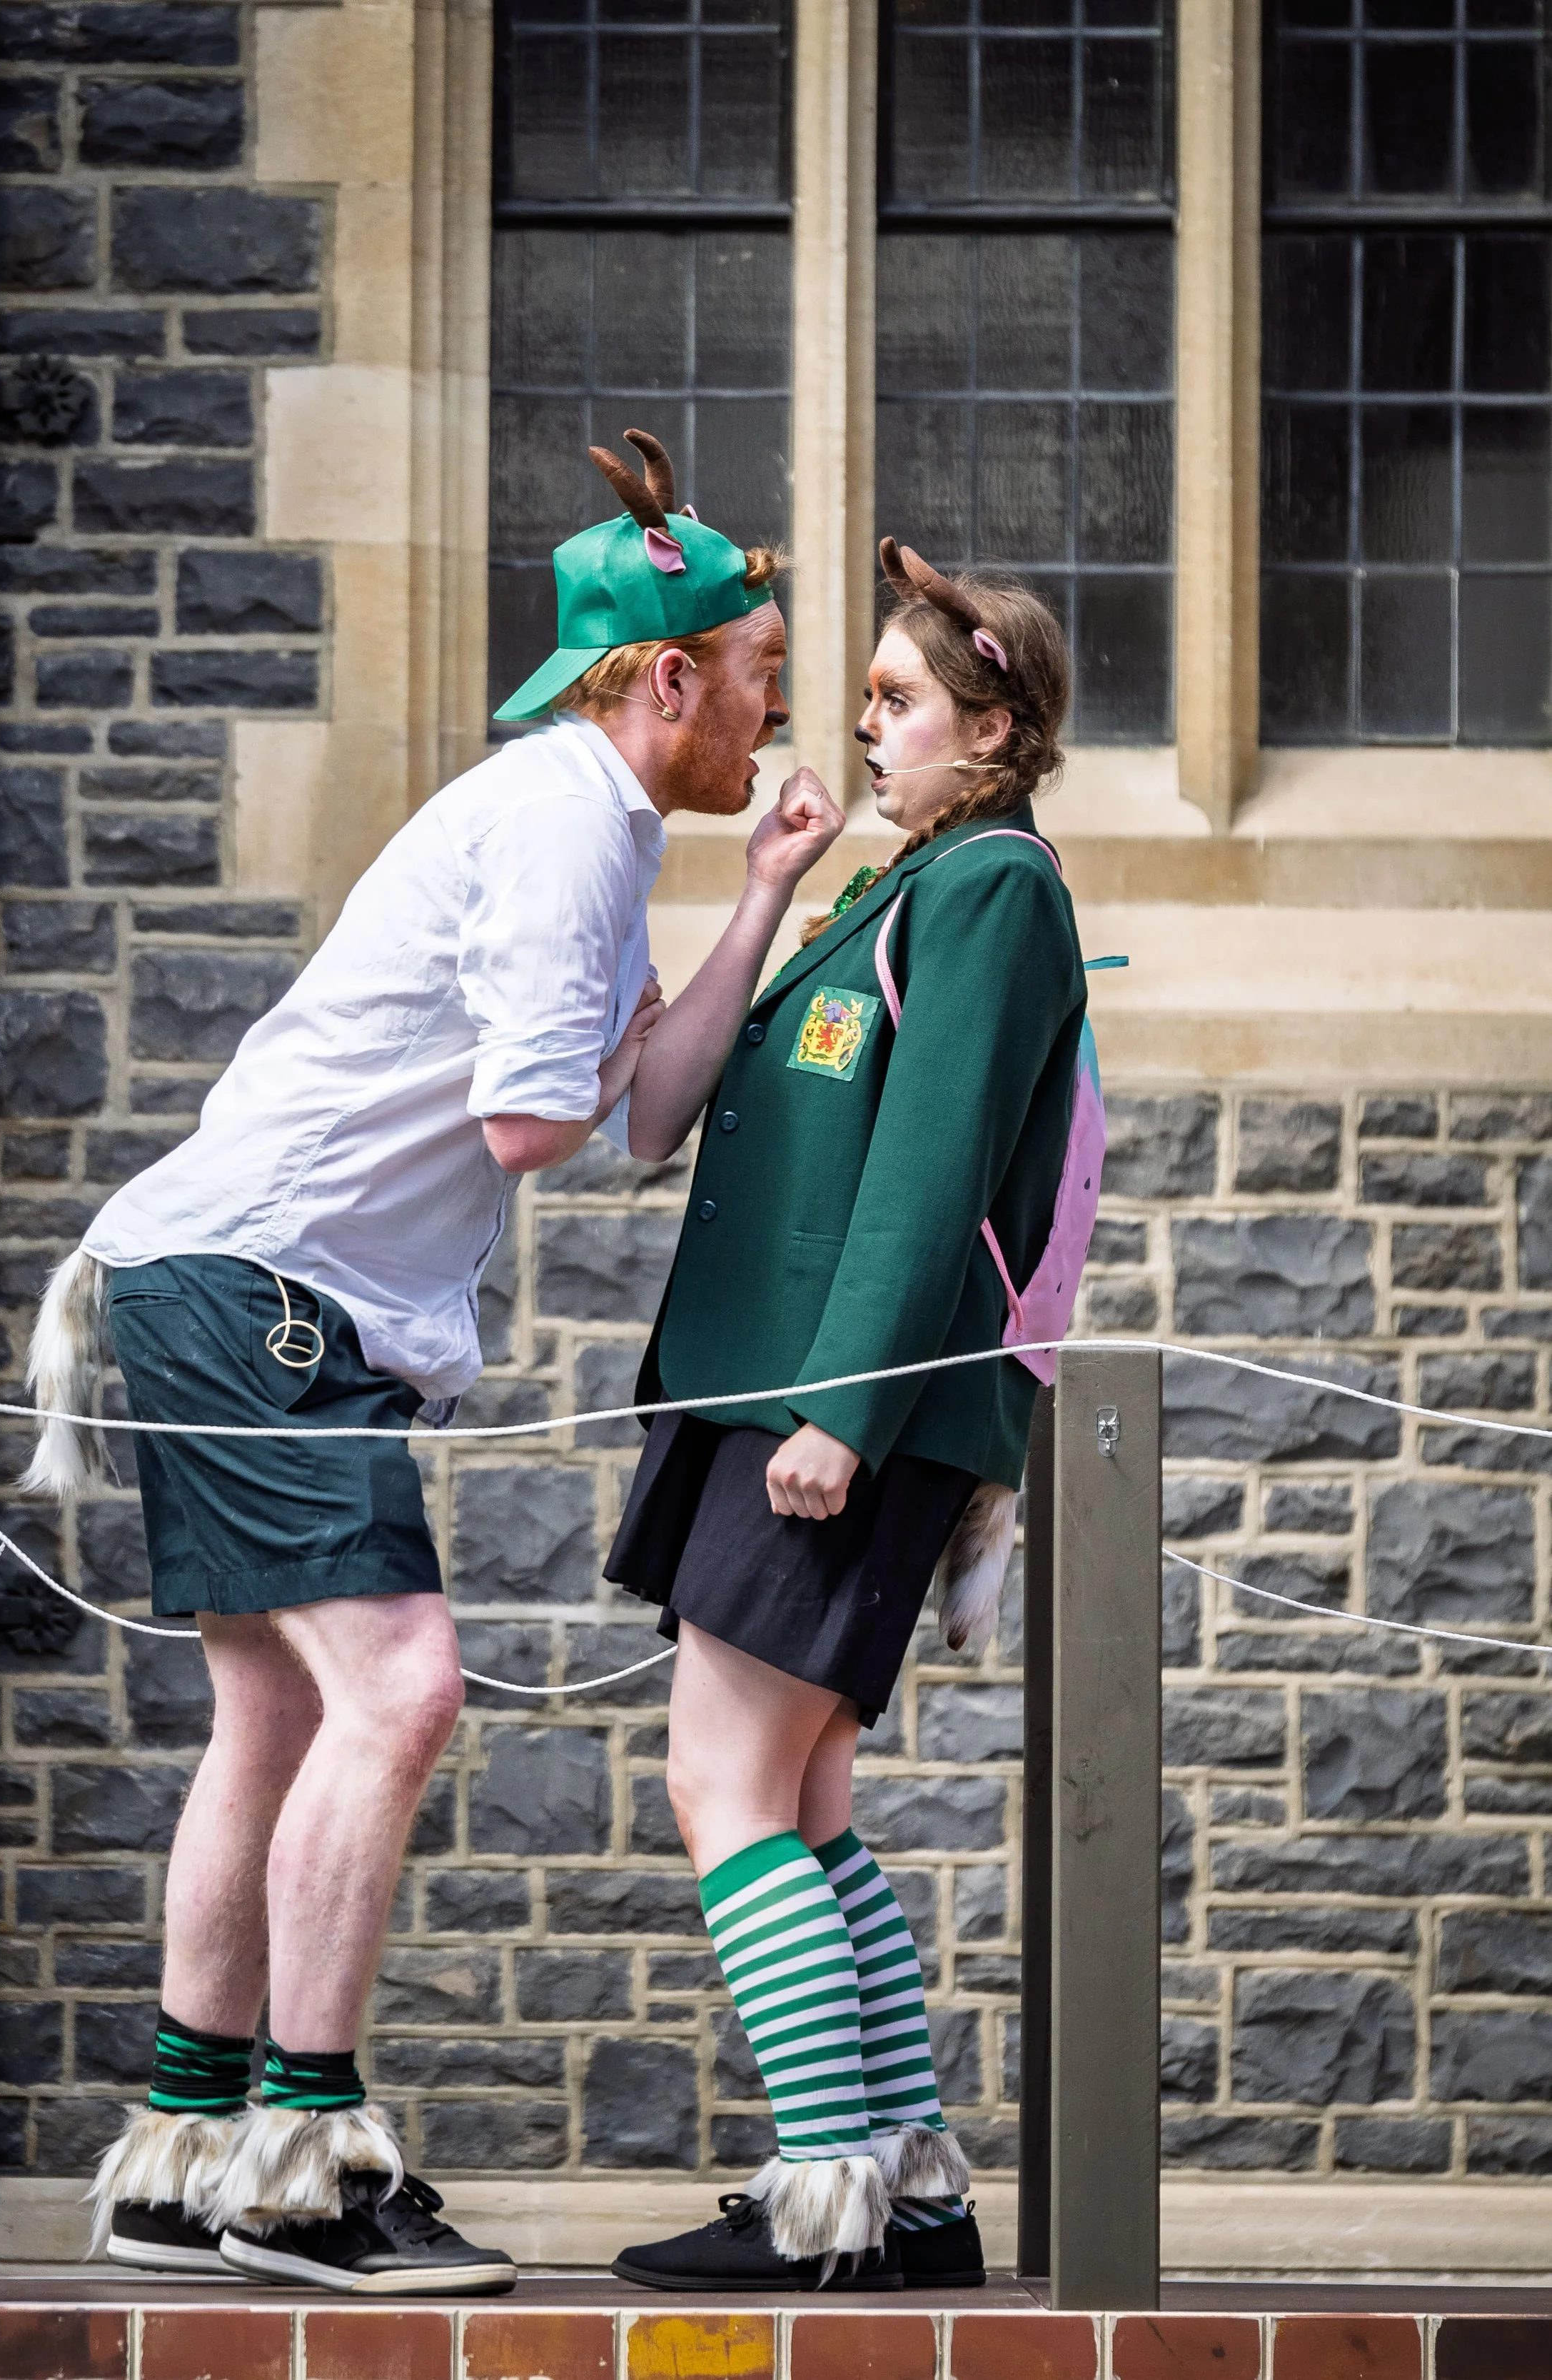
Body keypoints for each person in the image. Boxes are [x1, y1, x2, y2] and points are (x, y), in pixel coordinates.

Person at [21, 430, 844, 2295]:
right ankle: (303, 2169)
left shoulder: (589, 822)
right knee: (399, 1690)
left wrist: (765, 890)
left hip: (218, 1278)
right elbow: (535, 1126)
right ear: (665, 677)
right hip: (261, 1295)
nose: (771, 713)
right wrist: (600, 1018)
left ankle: (178, 2153)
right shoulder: (563, 824)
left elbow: (641, 1111)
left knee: (278, 1714)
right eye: (759, 678)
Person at [600, 541, 1088, 2292]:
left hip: (833, 1407)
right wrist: (774, 884)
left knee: (718, 1782)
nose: (860, 724)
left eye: (896, 701)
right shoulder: (907, 882)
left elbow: (926, 1165)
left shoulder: (990, 890)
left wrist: (844, 1414)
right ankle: (913, 2196)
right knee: (801, 1800)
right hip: (785, 1395)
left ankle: (825, 2194)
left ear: (992, 725)